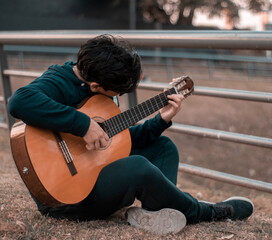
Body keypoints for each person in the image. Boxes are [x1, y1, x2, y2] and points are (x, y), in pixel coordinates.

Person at [8, 34, 254, 235]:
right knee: (137, 166)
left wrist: (161, 120)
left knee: (164, 147)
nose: (120, 97)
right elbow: (19, 101)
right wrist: (83, 125)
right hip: (67, 199)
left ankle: (160, 212)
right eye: (116, 92)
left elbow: (117, 142)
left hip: (93, 176)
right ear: (95, 86)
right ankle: (203, 212)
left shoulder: (102, 79)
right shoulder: (59, 80)